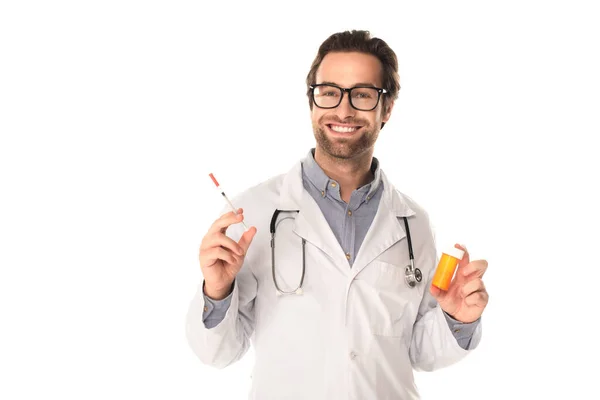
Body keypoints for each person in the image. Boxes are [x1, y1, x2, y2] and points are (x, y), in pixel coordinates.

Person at [186, 29, 489, 399]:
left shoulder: (413, 223)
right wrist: (217, 290)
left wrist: (457, 318)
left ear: (387, 108)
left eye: (362, 95)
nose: (343, 110)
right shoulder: (254, 213)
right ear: (312, 102)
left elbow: (418, 352)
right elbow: (218, 352)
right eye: (329, 92)